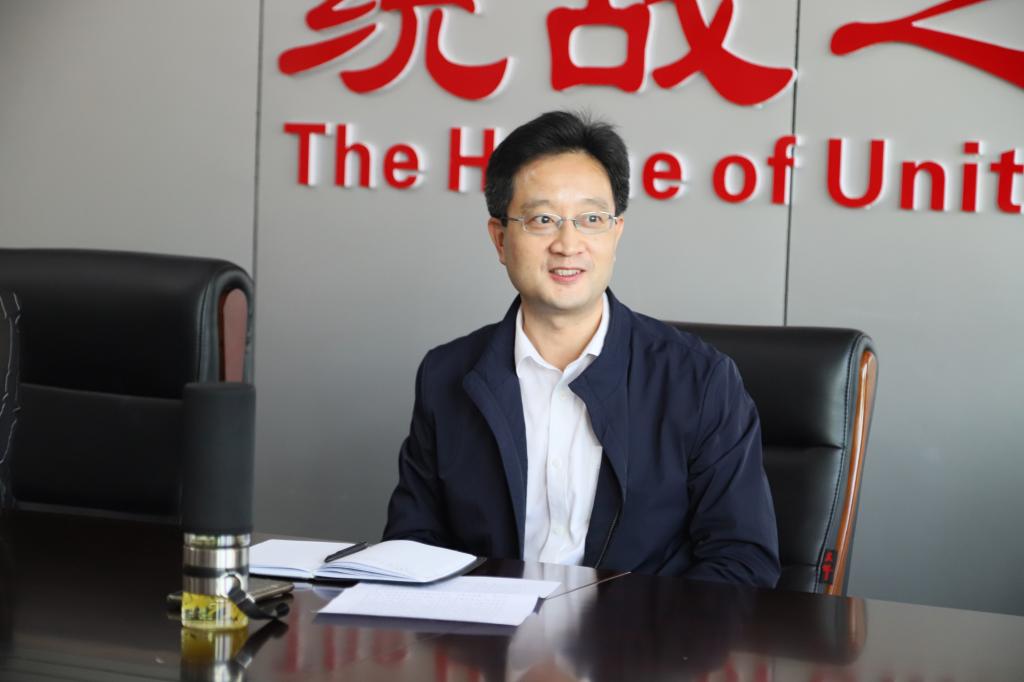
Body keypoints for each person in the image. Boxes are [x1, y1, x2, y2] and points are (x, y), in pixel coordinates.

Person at [384, 110, 780, 587]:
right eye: (542, 220)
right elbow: (413, 546)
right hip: (488, 631)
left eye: (591, 219)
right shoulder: (447, 375)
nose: (568, 244)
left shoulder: (699, 380)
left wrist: (628, 630)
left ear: (616, 233)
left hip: (639, 633)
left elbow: (742, 563)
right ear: (500, 239)